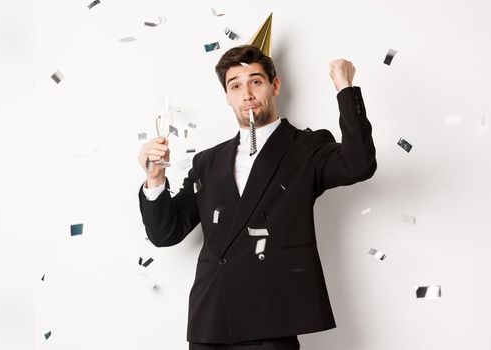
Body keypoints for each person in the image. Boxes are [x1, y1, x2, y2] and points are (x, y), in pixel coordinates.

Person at [136, 44, 377, 349]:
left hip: (271, 320)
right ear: (227, 96)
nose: (246, 94)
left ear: (275, 86)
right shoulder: (207, 162)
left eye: (256, 81)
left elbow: (359, 164)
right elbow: (164, 233)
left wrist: (345, 88)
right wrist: (155, 179)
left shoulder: (307, 147)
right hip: (209, 322)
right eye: (235, 85)